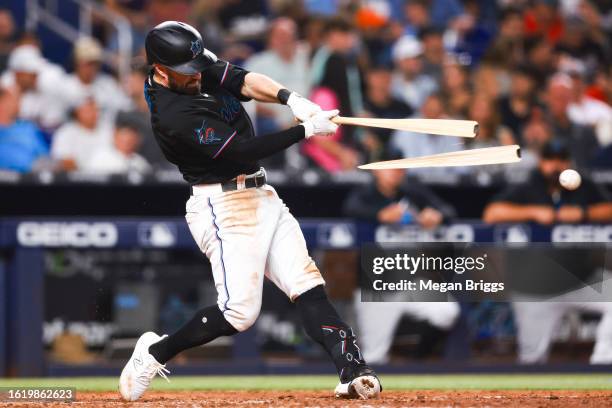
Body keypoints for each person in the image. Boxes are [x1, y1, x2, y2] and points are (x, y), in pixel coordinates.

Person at [119, 21, 381, 401]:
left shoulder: (187, 66)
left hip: (261, 193)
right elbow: (240, 150)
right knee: (239, 314)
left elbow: (242, 80)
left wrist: (292, 100)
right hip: (221, 205)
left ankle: (353, 370)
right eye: (186, 73)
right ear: (161, 70)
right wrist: (304, 131)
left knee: (306, 284)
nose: (196, 78)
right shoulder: (173, 113)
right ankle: (154, 353)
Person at [343, 152, 459, 363]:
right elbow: (350, 209)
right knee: (375, 357)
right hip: (376, 288)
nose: (395, 173)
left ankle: (415, 361)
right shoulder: (365, 194)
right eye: (389, 167)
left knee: (447, 312)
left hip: (410, 282)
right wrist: (379, 215)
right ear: (376, 169)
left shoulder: (412, 193)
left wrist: (437, 216)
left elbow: (448, 210)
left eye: (399, 168)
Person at [483, 139, 612, 225]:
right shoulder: (529, 182)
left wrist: (584, 213)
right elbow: (492, 213)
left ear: (569, 162)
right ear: (541, 161)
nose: (555, 165)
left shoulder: (583, 183)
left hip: (579, 254)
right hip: (535, 255)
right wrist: (533, 212)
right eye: (550, 159)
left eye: (561, 159)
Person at [63, 37, 132, 122]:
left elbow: (125, 106)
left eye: (96, 63)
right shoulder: (65, 85)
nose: (93, 67)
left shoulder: (107, 83)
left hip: (107, 132)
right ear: (77, 62)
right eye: (89, 63)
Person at [51, 97, 113, 172]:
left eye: (95, 110)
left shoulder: (108, 130)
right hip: (76, 178)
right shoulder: (65, 133)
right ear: (78, 112)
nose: (93, 114)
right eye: (88, 110)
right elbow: (64, 161)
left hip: (107, 175)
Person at [0, 87, 48, 173]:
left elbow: (44, 154)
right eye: (13, 100)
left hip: (30, 179)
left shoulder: (28, 128)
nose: (18, 103)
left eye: (18, 100)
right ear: (2, 103)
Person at [85, 123, 151, 175]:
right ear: (115, 137)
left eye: (131, 139)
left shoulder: (140, 161)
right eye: (124, 137)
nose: (127, 142)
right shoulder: (101, 156)